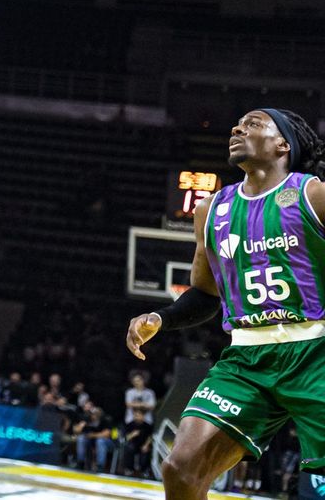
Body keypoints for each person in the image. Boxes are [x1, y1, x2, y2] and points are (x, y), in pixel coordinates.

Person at [126, 108, 325, 499]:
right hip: (247, 358)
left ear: (283, 144)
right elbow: (206, 294)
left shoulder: (313, 194)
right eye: (237, 124)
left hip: (316, 351)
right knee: (181, 469)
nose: (237, 128)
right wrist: (161, 318)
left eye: (253, 124)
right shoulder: (212, 209)